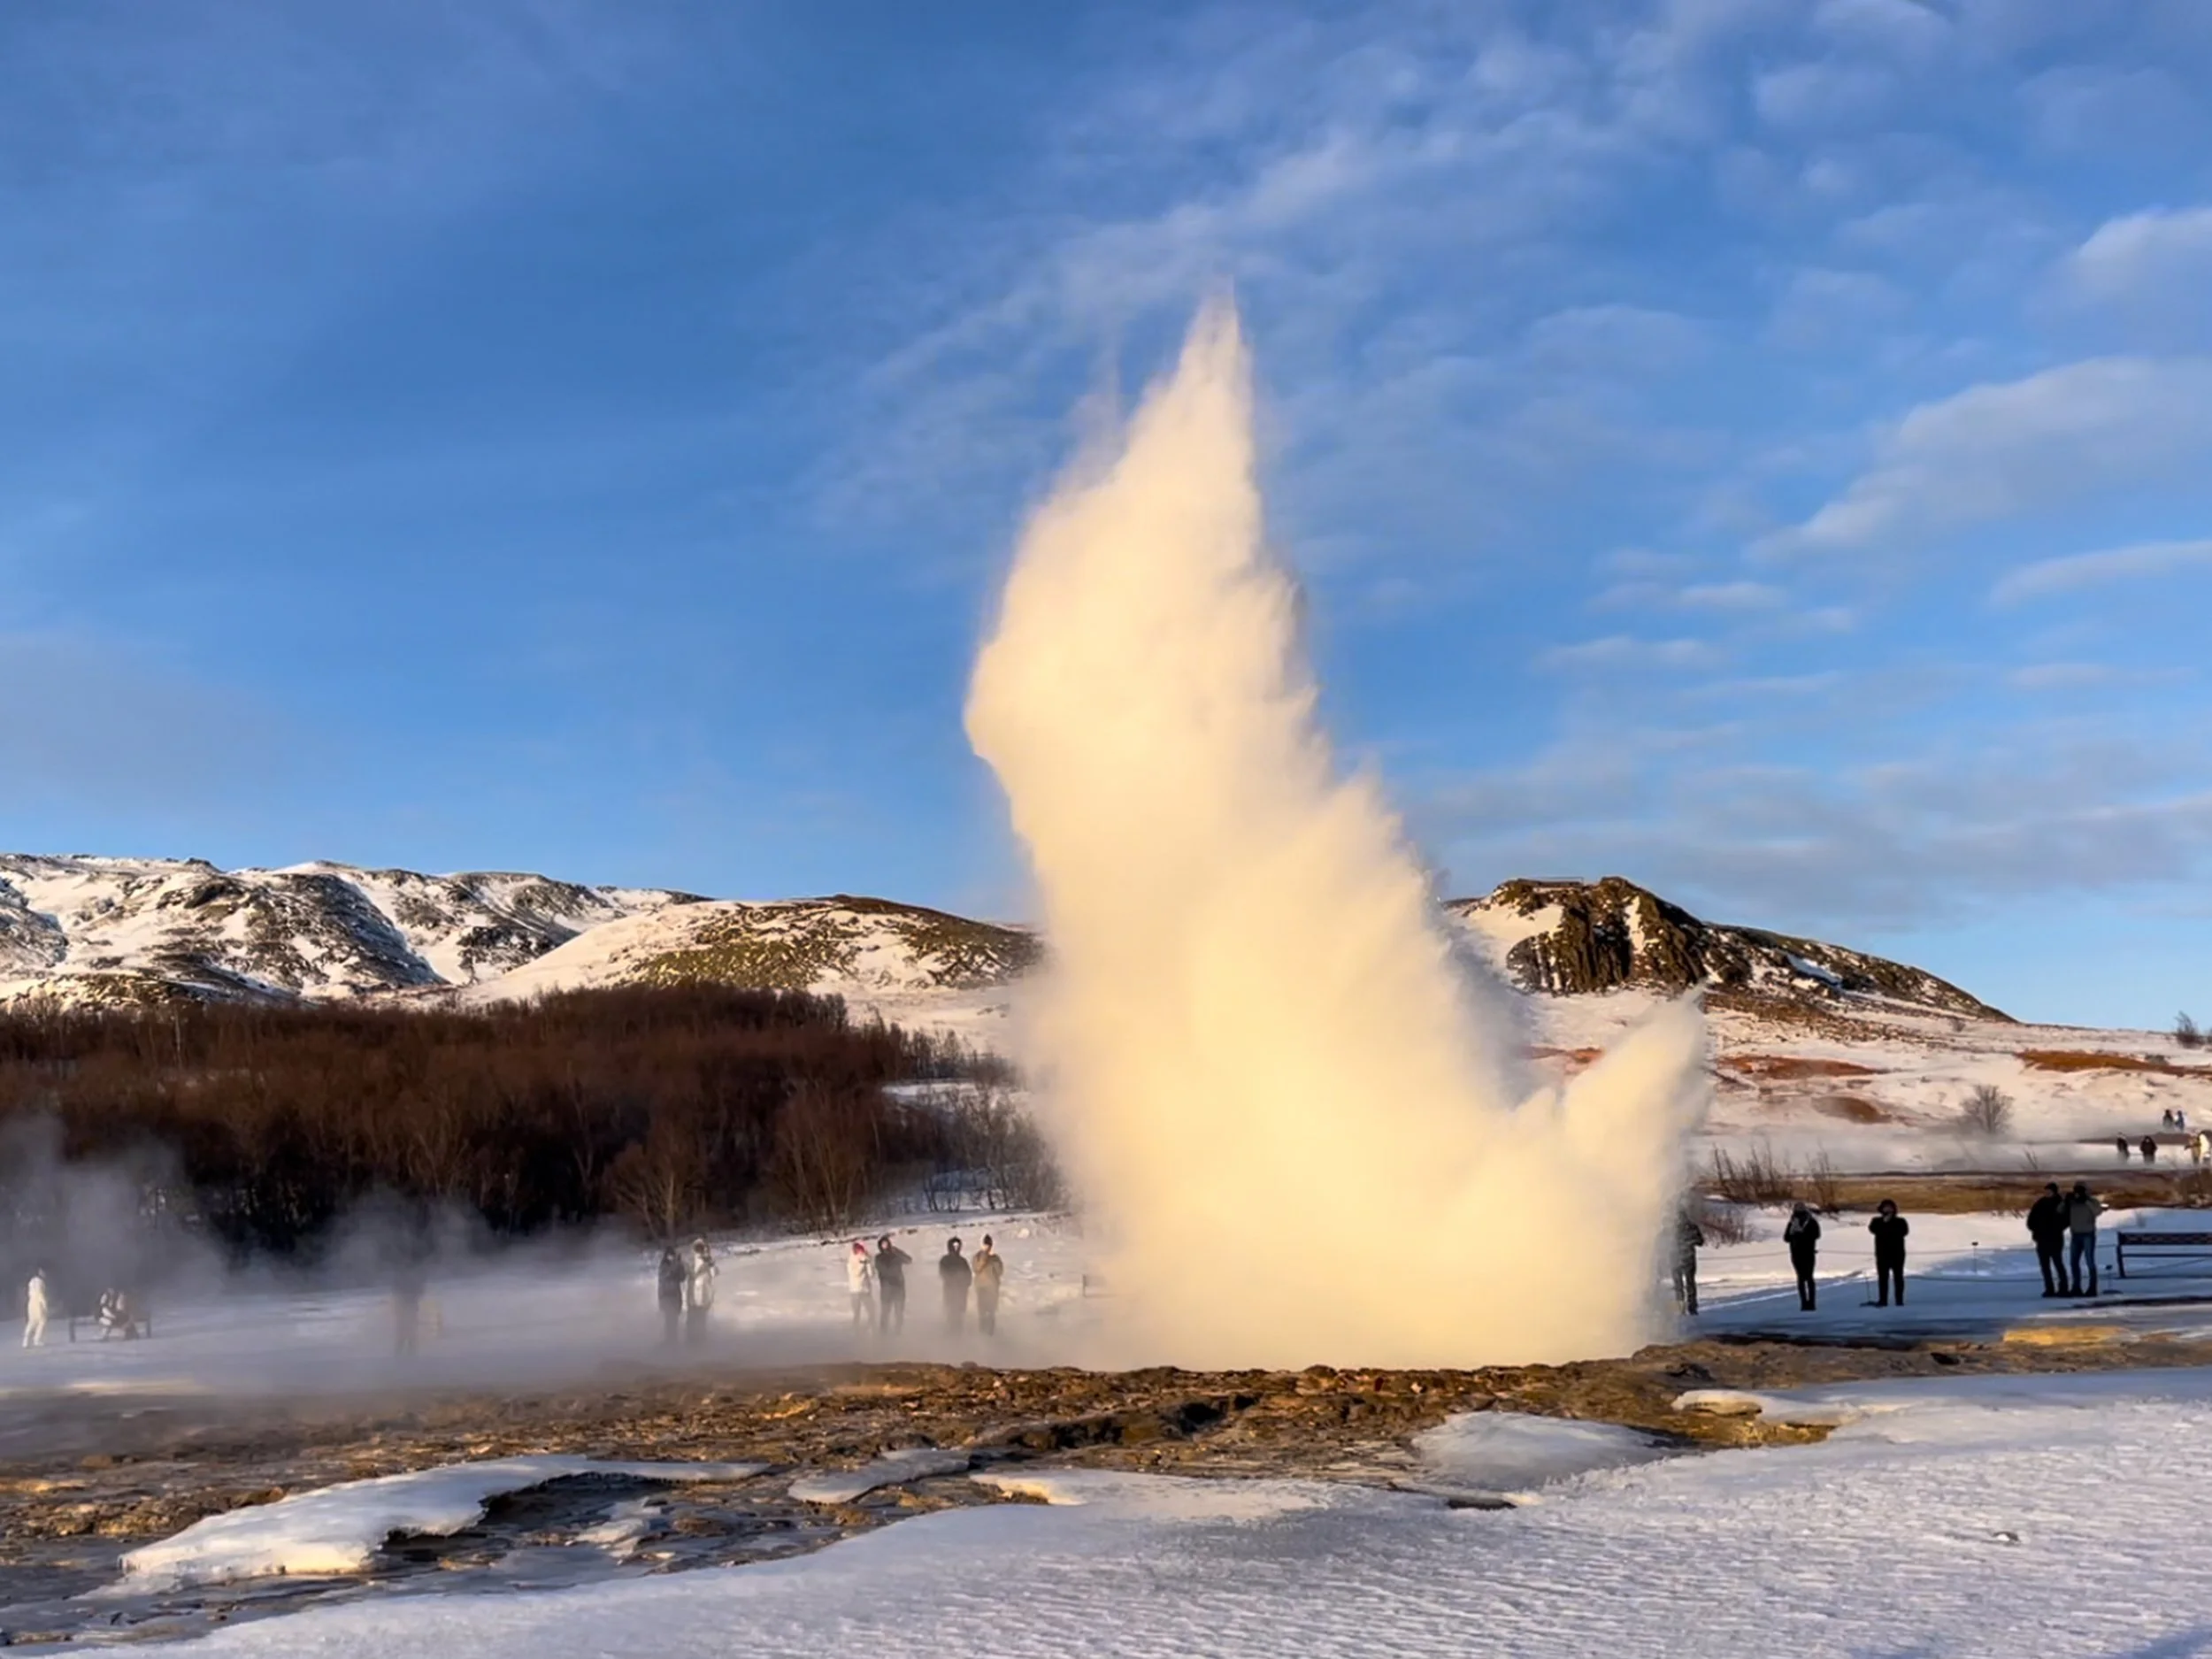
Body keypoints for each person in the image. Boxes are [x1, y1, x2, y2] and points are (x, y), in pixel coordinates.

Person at [2026, 1181, 2070, 1298]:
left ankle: (2063, 1288)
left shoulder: (2060, 1204)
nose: (2046, 1193)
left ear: (2054, 1192)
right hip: (2041, 1239)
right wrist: (2035, 1230)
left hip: (2055, 1239)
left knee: (2058, 1264)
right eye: (2045, 1192)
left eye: (2049, 1191)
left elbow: (2066, 1220)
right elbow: (2031, 1220)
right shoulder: (2040, 1203)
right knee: (2045, 1266)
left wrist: (2055, 1229)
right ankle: (2049, 1288)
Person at [2066, 1182, 2106, 1296]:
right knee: (2074, 1262)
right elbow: (2061, 1211)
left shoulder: (2092, 1201)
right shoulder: (2072, 1202)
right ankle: (2076, 1287)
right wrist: (2065, 1202)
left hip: (2088, 1234)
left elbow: (2097, 1212)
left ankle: (2092, 1288)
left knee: (2090, 1261)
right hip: (2075, 1234)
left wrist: (2086, 1201)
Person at [1869, 1200, 1909, 1307]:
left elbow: (1903, 1232)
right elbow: (1873, 1230)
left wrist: (1889, 1225)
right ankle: (1883, 1300)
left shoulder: (1901, 1221)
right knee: (1883, 1278)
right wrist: (1885, 1223)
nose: (1888, 1209)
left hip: (1897, 1254)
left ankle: (1899, 1300)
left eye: (1890, 1207)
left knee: (1898, 1277)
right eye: (1885, 1207)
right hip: (1882, 1254)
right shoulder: (1876, 1221)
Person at [1784, 1202, 1821, 1311]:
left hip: (1805, 1252)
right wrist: (1795, 1235)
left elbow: (1816, 1235)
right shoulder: (1793, 1223)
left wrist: (1800, 1235)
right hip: (1799, 1253)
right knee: (1804, 1278)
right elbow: (1786, 1238)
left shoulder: (1810, 1222)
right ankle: (1806, 1303)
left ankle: (1809, 1303)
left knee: (1806, 1278)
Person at [874, 1236, 911, 1333]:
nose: (885, 1246)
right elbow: (883, 1270)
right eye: (883, 1244)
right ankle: (883, 1333)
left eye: (887, 1244)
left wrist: (897, 1252)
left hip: (899, 1288)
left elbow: (909, 1260)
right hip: (887, 1289)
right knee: (885, 1312)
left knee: (899, 1312)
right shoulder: (879, 1258)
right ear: (880, 1246)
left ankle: (898, 1331)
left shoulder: (896, 1255)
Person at [685, 1237, 718, 1345]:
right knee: (694, 1320)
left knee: (699, 1320)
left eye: (700, 1248)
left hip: (701, 1296)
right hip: (694, 1296)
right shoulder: (691, 1261)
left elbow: (714, 1273)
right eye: (698, 1248)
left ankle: (698, 1342)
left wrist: (710, 1262)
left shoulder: (706, 1261)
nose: (699, 1250)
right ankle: (693, 1341)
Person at [972, 1234, 1005, 1336]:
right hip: (982, 1288)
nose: (988, 1247)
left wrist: (992, 1260)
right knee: (982, 1312)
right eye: (986, 1244)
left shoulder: (995, 1258)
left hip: (992, 1289)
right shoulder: (978, 1256)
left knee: (991, 1312)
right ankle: (982, 1333)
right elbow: (977, 1268)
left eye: (989, 1244)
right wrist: (984, 1256)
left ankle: (990, 1333)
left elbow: (1000, 1271)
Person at [1671, 1211, 1704, 1316]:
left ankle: (1682, 1306)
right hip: (1687, 1258)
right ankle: (1691, 1307)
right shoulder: (1691, 1227)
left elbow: (1662, 1241)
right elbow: (1700, 1242)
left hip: (1676, 1258)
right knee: (1689, 1283)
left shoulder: (1670, 1229)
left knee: (1679, 1284)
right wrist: (1690, 1242)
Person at [939, 1236, 972, 1333]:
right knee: (951, 1312)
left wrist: (965, 1284)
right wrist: (953, 1281)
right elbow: (943, 1274)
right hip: (950, 1290)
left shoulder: (962, 1260)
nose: (955, 1249)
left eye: (957, 1247)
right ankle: (951, 1333)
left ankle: (958, 1332)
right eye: (953, 1247)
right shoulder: (945, 1260)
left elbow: (968, 1275)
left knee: (959, 1313)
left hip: (961, 1291)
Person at [655, 1245, 687, 1347]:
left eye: (673, 1255)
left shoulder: (675, 1266)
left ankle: (673, 1342)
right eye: (670, 1255)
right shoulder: (664, 1266)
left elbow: (682, 1278)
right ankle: (669, 1342)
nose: (672, 1257)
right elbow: (666, 1276)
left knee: (674, 1322)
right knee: (669, 1321)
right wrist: (675, 1264)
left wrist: (680, 1265)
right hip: (666, 1296)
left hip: (675, 1296)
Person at [846, 1240, 875, 1330]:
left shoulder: (866, 1259)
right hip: (855, 1290)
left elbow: (871, 1274)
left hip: (865, 1289)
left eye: (861, 1248)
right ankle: (856, 1330)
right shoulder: (851, 1259)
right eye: (858, 1248)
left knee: (872, 1310)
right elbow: (855, 1273)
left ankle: (872, 1328)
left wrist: (869, 1263)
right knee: (857, 1313)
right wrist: (862, 1264)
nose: (860, 1251)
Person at [21, 1268, 48, 1349]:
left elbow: (30, 1293)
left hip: (31, 1302)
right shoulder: (40, 1282)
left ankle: (25, 1341)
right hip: (38, 1302)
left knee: (32, 1321)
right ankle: (37, 1339)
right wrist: (44, 1305)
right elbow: (40, 1293)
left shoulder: (32, 1281)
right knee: (42, 1321)